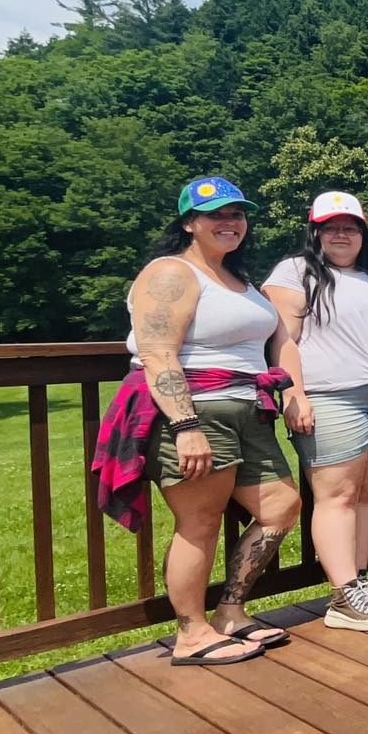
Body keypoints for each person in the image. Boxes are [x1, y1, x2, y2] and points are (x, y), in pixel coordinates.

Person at [119, 177, 302, 664]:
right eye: (216, 215)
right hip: (198, 410)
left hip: (247, 410)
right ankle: (191, 634)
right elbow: (158, 353)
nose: (230, 222)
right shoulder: (171, 272)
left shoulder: (237, 280)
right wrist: (184, 426)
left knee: (281, 506)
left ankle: (229, 613)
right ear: (188, 223)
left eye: (237, 214)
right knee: (198, 523)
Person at [262, 191, 368, 631]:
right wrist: (294, 395)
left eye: (350, 226)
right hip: (333, 396)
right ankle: (344, 595)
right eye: (331, 226)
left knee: (363, 494)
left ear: (363, 234)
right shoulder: (297, 271)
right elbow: (282, 339)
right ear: (316, 232)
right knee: (337, 496)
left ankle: (358, 582)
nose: (341, 234)